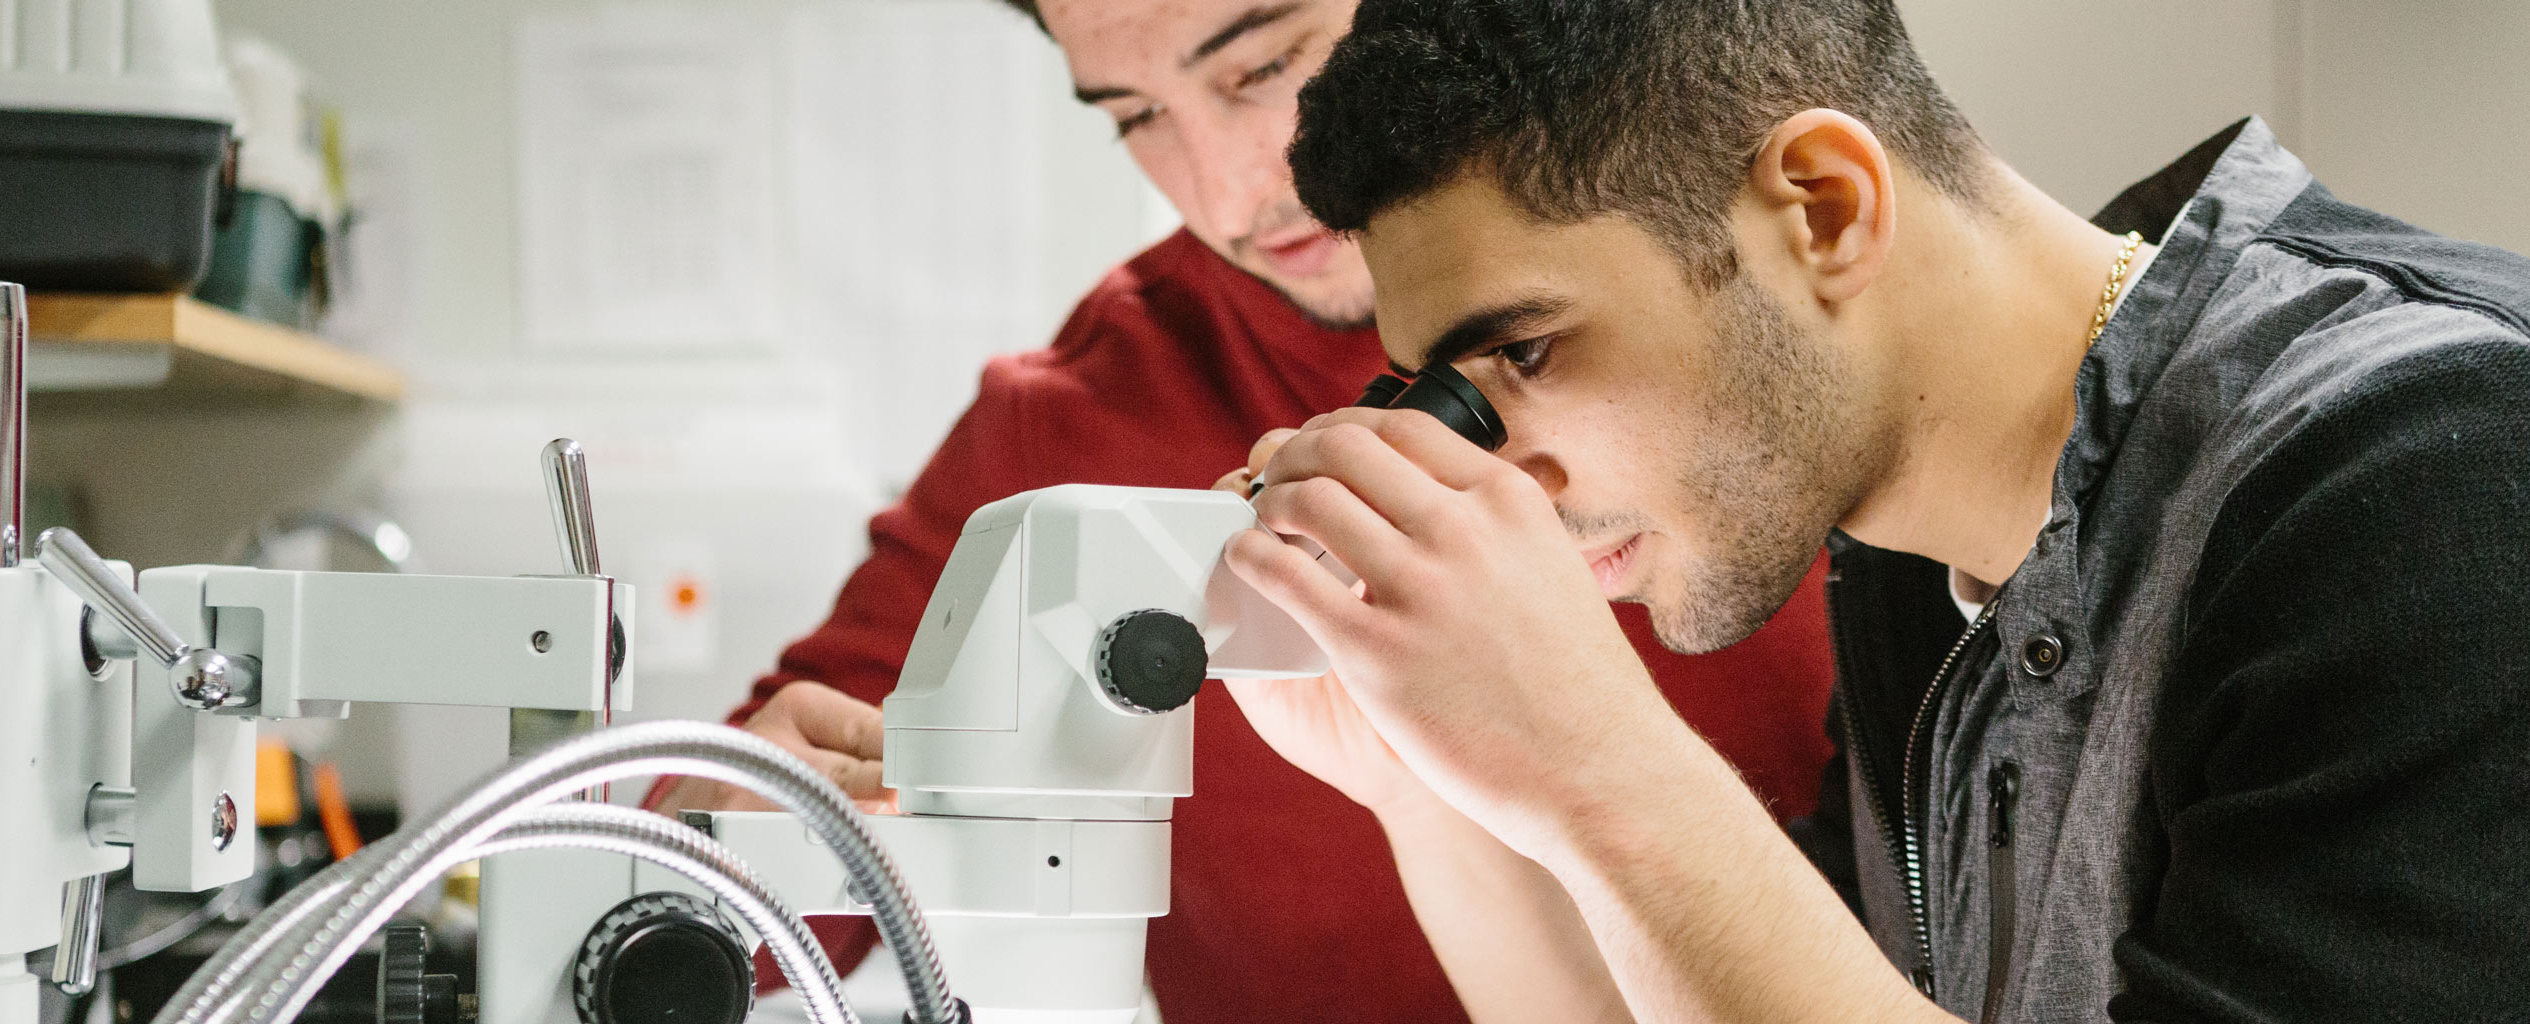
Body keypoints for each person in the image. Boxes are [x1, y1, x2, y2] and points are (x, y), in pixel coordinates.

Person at [1227, 0, 2530, 1020]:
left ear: (1824, 208)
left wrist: (1604, 765)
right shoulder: (1921, 564)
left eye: (1524, 353)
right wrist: (1423, 772)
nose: (1499, 475)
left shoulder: (2432, 462)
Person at [649, 0, 1842, 1019]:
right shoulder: (1068, 421)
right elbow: (752, 880)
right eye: (1135, 114)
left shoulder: (1746, 326)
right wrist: (727, 839)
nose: (1230, 186)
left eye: (1265, 66)